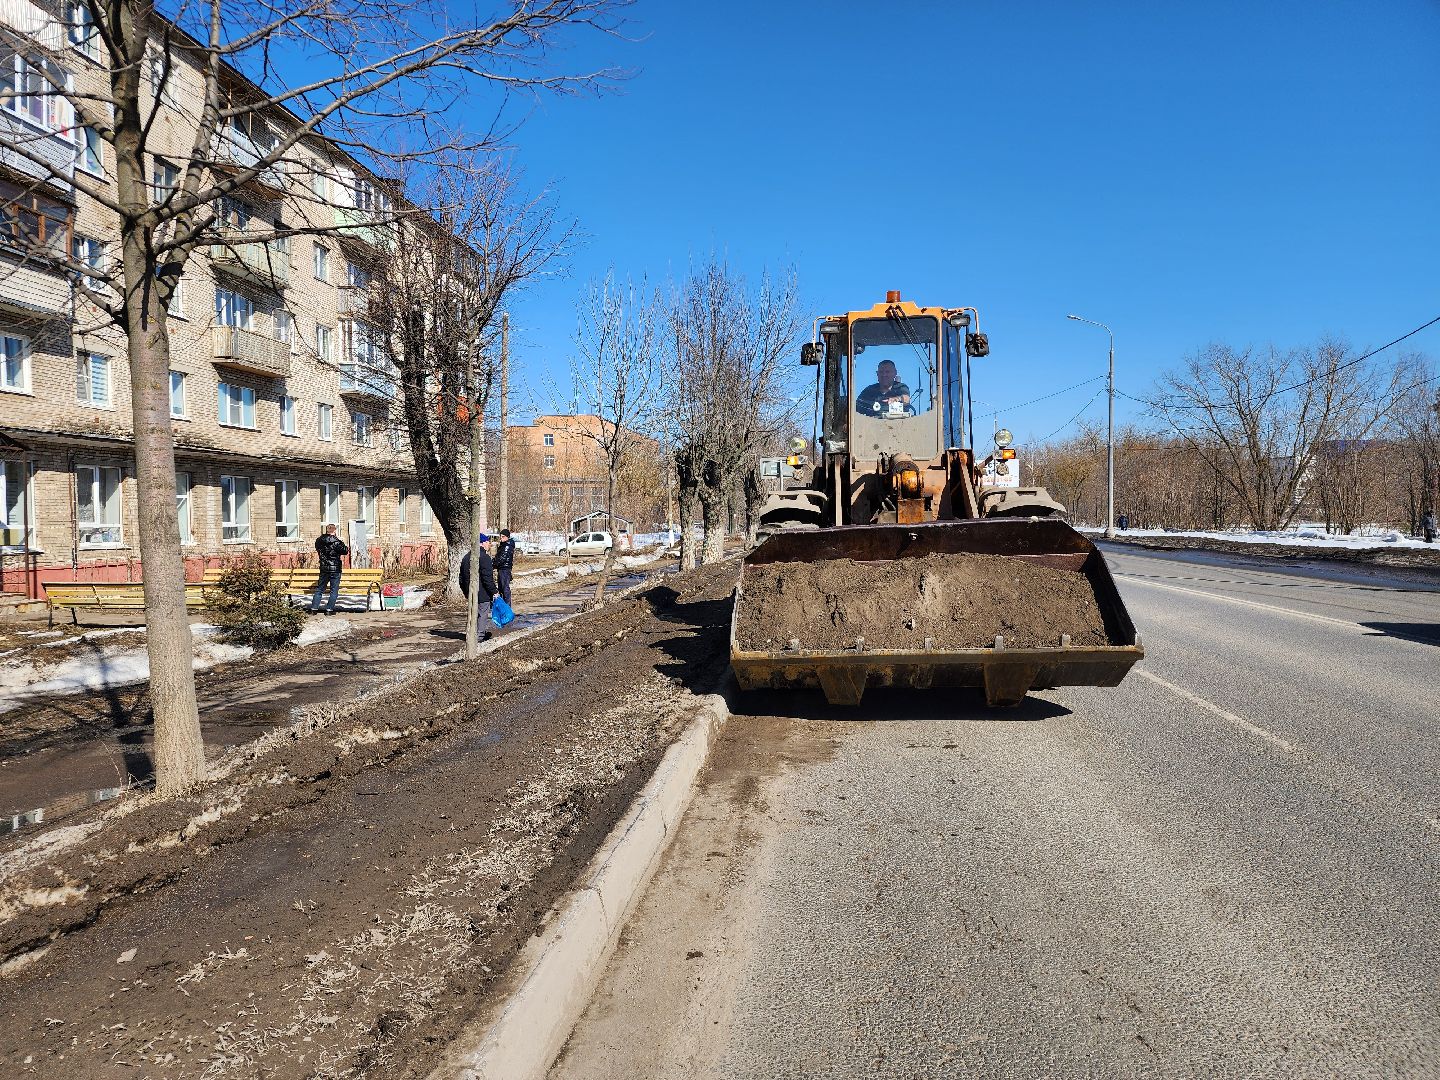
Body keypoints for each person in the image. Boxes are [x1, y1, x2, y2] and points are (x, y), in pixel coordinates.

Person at [310, 523, 349, 615]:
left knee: (320, 589)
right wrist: (339, 540)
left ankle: (313, 609)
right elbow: (345, 551)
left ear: (327, 530)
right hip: (335, 569)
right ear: (334, 530)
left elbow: (318, 549)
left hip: (324, 568)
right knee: (334, 590)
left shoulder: (319, 540)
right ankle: (329, 610)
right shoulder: (336, 541)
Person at [458, 533, 496, 607]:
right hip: (483, 597)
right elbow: (487, 579)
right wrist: (494, 592)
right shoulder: (485, 557)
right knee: (482, 614)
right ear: (483, 543)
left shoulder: (466, 557)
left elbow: (461, 579)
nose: (489, 545)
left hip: (471, 596)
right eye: (488, 542)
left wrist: (467, 593)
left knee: (473, 614)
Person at [495, 528, 515, 605]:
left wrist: (493, 564)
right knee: (501, 589)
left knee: (505, 589)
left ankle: (507, 607)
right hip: (502, 568)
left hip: (504, 569)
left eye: (503, 536)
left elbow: (502, 558)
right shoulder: (504, 545)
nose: (501, 538)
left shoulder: (507, 545)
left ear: (507, 537)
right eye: (500, 536)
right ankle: (504, 606)